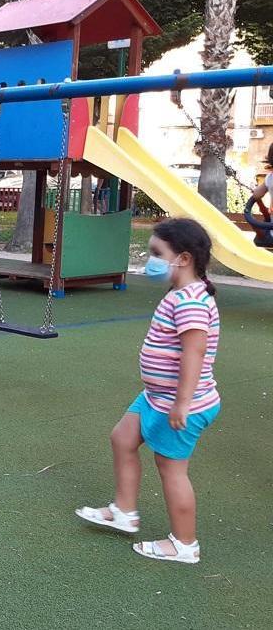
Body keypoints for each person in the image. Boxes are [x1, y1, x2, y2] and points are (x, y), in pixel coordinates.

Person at [75, 218, 220, 564]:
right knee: (122, 438)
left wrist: (182, 404)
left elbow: (194, 353)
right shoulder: (180, 293)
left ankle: (185, 545)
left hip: (181, 403)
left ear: (183, 258)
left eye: (157, 253)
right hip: (157, 397)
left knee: (171, 468)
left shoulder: (191, 302)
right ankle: (124, 511)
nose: (150, 259)